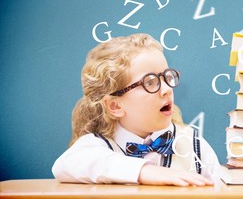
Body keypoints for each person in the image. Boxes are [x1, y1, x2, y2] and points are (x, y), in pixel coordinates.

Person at [52, 33, 220, 186]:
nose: (167, 89)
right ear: (115, 106)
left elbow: (224, 191)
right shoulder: (96, 146)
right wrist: (142, 170)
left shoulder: (194, 145)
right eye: (150, 82)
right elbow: (64, 165)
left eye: (167, 77)